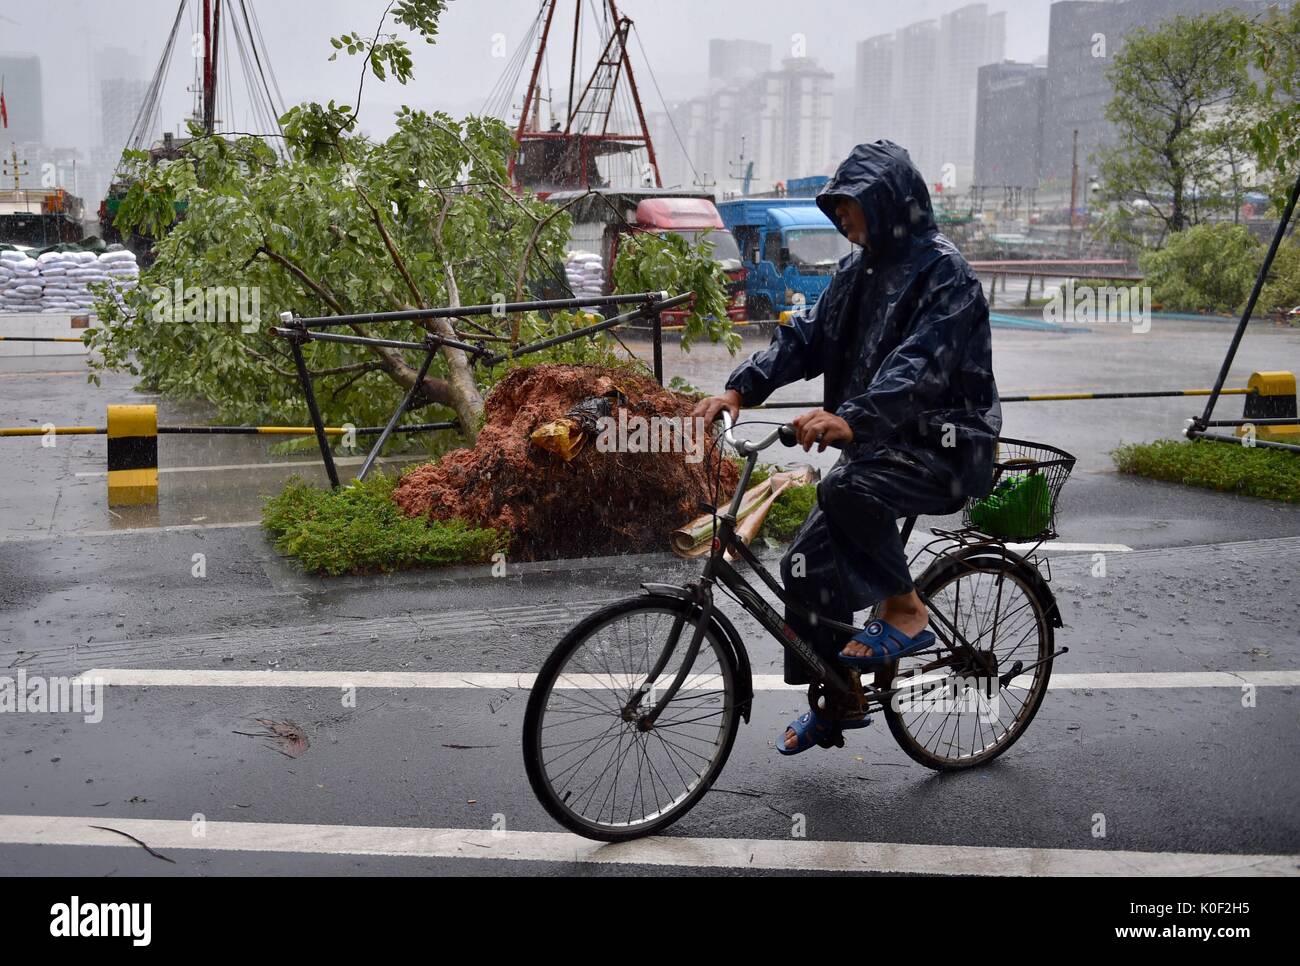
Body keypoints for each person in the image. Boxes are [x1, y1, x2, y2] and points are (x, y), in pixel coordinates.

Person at [692, 140, 1001, 754]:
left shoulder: (946, 275)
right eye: (838, 210)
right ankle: (842, 697)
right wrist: (738, 391)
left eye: (853, 208)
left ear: (889, 203)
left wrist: (851, 419)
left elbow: (922, 367)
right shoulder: (854, 274)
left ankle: (906, 609)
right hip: (882, 445)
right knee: (801, 568)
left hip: (948, 447)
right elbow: (805, 339)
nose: (845, 222)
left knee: (844, 485)